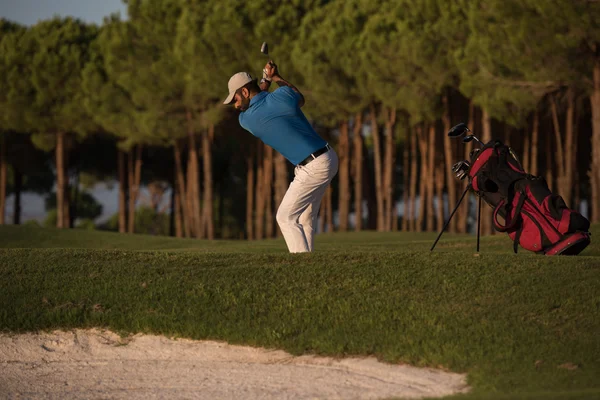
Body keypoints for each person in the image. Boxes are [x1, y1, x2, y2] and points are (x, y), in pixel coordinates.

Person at [223, 61, 338, 253]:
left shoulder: (246, 120)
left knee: (285, 217)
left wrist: (266, 81)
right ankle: (310, 265)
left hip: (313, 167)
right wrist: (275, 78)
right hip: (328, 157)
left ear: (244, 92)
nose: (234, 105)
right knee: (304, 218)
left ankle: (302, 267)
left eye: (234, 98)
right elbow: (298, 98)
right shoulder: (282, 96)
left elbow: (261, 97)